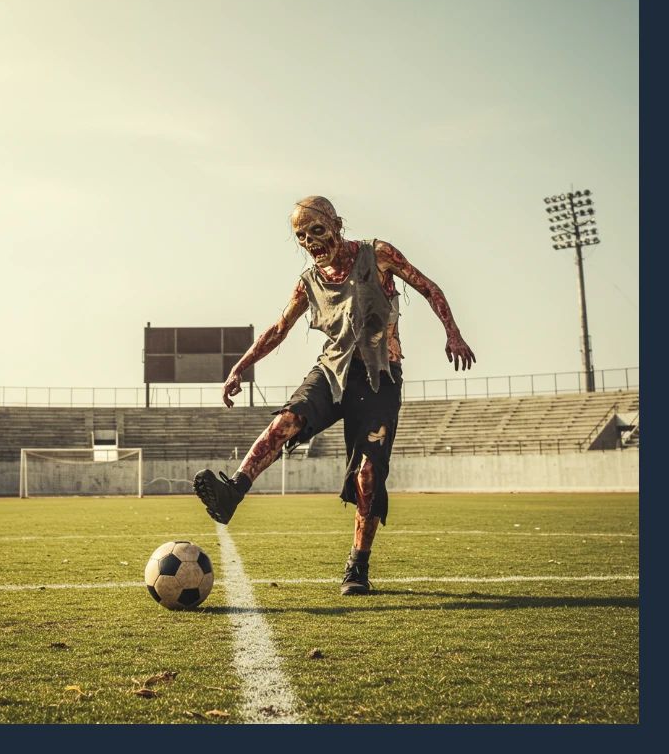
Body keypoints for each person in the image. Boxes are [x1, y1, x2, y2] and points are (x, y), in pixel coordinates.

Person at [193, 195, 476, 595]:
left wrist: (453, 332)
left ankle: (357, 566)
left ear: (336, 224)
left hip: (380, 375)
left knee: (368, 473)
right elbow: (278, 329)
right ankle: (233, 491)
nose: (310, 240)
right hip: (332, 370)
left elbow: (429, 287)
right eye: (301, 235)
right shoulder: (308, 283)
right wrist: (240, 366)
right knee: (285, 421)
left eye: (317, 229)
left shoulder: (377, 255)